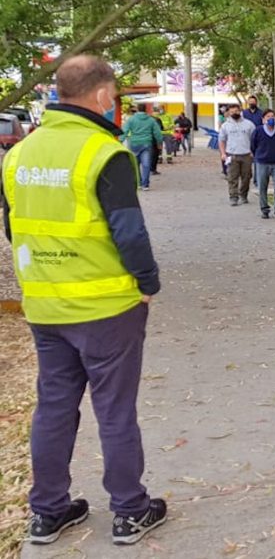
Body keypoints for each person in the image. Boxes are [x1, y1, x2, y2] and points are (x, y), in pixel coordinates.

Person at [0, 55, 167, 546]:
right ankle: (130, 510)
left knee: (54, 406)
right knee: (114, 409)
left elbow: (13, 228)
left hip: (46, 305)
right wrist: (147, 283)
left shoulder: (20, 154)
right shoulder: (103, 153)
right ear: (100, 95)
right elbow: (129, 232)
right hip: (105, 307)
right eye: (112, 95)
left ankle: (48, 511)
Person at [251, 108, 275, 220]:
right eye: (268, 117)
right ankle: (264, 209)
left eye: (272, 116)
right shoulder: (258, 131)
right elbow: (253, 146)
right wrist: (258, 156)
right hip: (262, 162)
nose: (270, 118)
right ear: (263, 119)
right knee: (262, 187)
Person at [219, 103, 256, 206]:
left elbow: (254, 139)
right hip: (232, 155)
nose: (234, 113)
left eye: (236, 111)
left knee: (246, 177)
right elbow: (222, 140)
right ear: (229, 113)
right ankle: (233, 197)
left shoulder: (249, 124)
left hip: (246, 155)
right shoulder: (225, 126)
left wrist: (253, 151)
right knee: (232, 177)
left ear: (240, 111)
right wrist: (223, 153)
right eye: (232, 112)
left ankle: (243, 195)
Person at [120, 105, 163, 191]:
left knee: (135, 165)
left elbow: (124, 131)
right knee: (146, 164)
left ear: (137, 109)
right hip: (147, 144)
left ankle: (138, 183)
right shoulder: (151, 120)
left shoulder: (131, 119)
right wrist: (159, 143)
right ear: (145, 110)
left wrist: (120, 141)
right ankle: (145, 185)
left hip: (134, 144)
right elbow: (157, 133)